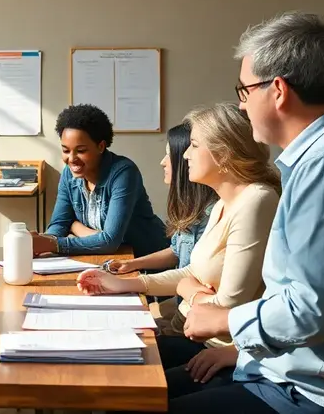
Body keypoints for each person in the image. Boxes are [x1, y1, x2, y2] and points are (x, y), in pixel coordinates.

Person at [180, 12, 324, 414]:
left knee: (133, 400)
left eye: (244, 90)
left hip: (300, 395)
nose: (242, 106)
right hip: (283, 375)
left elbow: (310, 312)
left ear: (277, 91)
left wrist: (223, 321)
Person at [78, 102, 281, 399]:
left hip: (226, 351)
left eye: (194, 145)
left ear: (223, 154)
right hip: (202, 339)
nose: (184, 154)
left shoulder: (257, 201)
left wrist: (189, 289)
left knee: (124, 393)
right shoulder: (223, 201)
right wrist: (125, 284)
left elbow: (228, 308)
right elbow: (191, 273)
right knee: (106, 363)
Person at [32, 104, 168, 258]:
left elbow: (109, 241)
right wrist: (43, 242)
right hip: (109, 260)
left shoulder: (124, 173)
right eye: (65, 150)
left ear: (101, 146)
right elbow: (59, 223)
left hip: (147, 260)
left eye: (81, 151)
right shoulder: (68, 175)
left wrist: (56, 242)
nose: (71, 159)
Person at [105, 121, 218, 275]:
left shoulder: (212, 215)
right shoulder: (190, 207)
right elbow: (176, 251)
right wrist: (132, 264)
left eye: (169, 155)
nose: (162, 162)